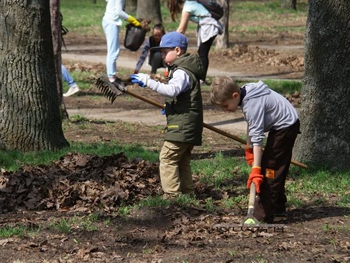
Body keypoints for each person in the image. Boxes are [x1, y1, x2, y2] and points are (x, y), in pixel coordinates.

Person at [210, 76, 300, 223]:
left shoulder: (252, 103)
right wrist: (248, 149)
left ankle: (261, 216)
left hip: (285, 127)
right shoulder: (247, 92)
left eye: (225, 106)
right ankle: (278, 206)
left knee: (270, 169)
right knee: (276, 168)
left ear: (235, 95)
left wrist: (256, 169)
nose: (224, 110)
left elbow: (258, 137)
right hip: (285, 124)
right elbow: (251, 125)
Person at [130, 31, 205, 199]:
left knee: (167, 158)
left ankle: (172, 196)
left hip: (182, 125)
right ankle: (187, 193)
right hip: (188, 123)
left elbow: (172, 90)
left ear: (177, 51)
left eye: (165, 52)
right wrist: (170, 107)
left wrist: (148, 81)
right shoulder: (184, 69)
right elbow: (181, 96)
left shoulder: (181, 71)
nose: (162, 56)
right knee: (182, 160)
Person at [169, 0, 223, 85]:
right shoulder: (189, 3)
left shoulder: (187, 6)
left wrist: (170, 40)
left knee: (203, 53)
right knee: (202, 53)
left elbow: (181, 29)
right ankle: (201, 78)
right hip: (207, 26)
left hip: (209, 26)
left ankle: (202, 79)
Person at [102, 0, 141, 83]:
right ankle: (111, 77)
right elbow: (119, 12)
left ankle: (112, 75)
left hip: (108, 21)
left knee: (113, 50)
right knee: (113, 51)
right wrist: (132, 19)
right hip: (111, 23)